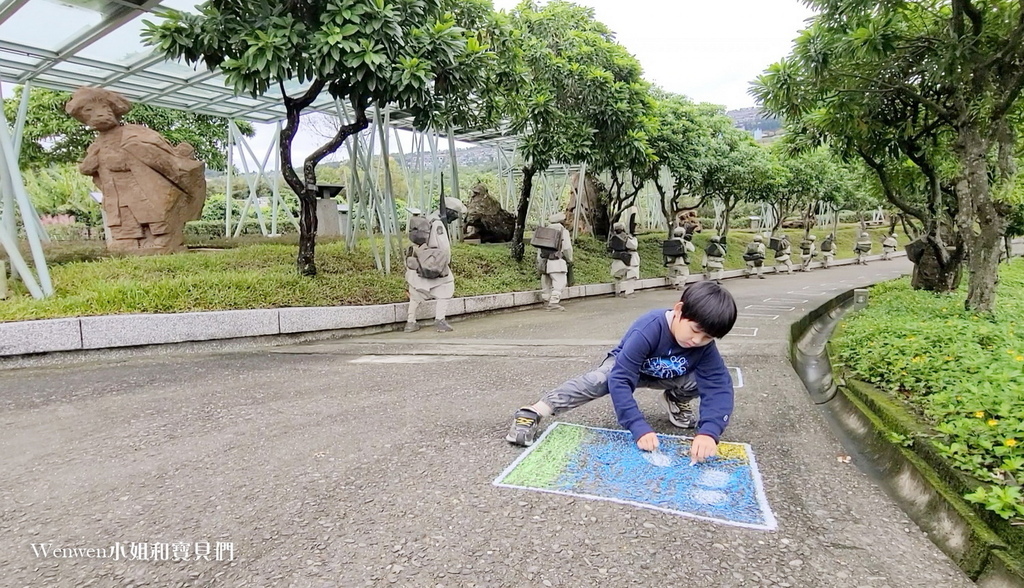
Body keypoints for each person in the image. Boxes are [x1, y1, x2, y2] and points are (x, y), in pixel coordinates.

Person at [505, 281, 738, 464]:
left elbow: (719, 388)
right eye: (695, 330)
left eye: (707, 337)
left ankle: (676, 400)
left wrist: (709, 432)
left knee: (704, 380)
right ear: (679, 310)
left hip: (669, 376)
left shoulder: (703, 347)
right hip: (628, 368)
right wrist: (637, 426)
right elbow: (621, 379)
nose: (698, 340)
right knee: (600, 380)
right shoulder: (649, 328)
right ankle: (534, 411)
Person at [67, 86, 206, 254]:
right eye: (90, 111)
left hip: (142, 185)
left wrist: (129, 155)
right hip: (115, 191)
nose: (101, 114)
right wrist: (92, 162)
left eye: (105, 108)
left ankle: (164, 239)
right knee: (123, 220)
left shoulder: (134, 132)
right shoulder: (96, 144)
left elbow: (157, 152)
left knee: (154, 214)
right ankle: (127, 241)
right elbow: (86, 168)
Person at [404, 205, 458, 333]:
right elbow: (443, 246)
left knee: (416, 294)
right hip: (432, 262)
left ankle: (410, 322)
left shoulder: (427, 219)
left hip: (417, 261)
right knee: (446, 287)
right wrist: (445, 261)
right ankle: (440, 320)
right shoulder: (437, 223)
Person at [537, 212, 574, 311]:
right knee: (560, 282)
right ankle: (553, 303)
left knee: (547, 283)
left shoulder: (544, 232)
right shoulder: (562, 231)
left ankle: (546, 301)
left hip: (544, 262)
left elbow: (539, 250)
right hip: (557, 261)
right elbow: (566, 248)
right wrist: (569, 259)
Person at [609, 222, 640, 298]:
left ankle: (617, 292)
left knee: (617, 276)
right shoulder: (628, 237)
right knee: (632, 275)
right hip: (630, 258)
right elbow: (634, 246)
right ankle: (629, 292)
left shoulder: (613, 237)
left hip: (617, 258)